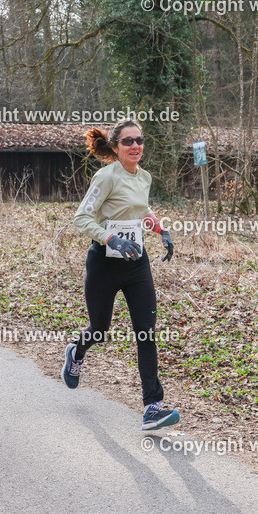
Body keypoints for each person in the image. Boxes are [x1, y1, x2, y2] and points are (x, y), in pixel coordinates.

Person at [64, 119, 179, 430]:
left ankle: (153, 406)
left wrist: (161, 229)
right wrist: (110, 239)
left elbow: (140, 210)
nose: (135, 146)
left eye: (139, 140)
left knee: (146, 332)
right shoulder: (106, 176)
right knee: (99, 330)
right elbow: (81, 218)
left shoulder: (144, 177)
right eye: (127, 141)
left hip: (136, 263)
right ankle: (77, 351)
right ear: (115, 147)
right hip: (103, 263)